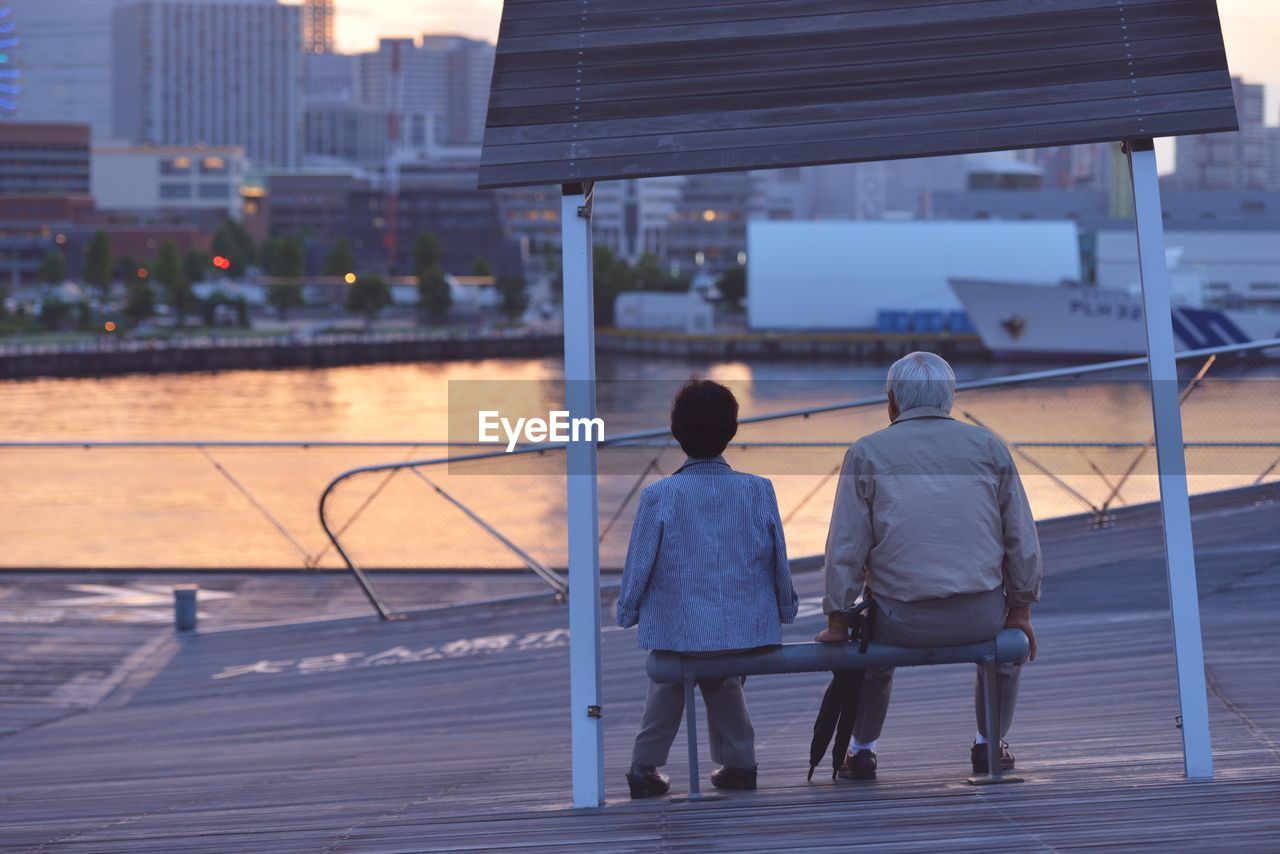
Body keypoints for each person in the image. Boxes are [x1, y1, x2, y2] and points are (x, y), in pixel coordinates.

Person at [817, 352, 1042, 781]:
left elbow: (846, 547)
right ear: (949, 399)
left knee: (873, 655)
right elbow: (1021, 539)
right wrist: (1020, 610)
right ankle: (989, 744)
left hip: (901, 620)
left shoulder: (866, 452)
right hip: (980, 616)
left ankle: (862, 751)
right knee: (1006, 652)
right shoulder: (989, 447)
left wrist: (839, 619)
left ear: (892, 402)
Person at [616, 379, 799, 799]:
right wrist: (784, 609)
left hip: (678, 627)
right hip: (741, 626)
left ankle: (644, 770)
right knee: (724, 679)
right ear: (731, 431)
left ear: (676, 432)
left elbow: (639, 564)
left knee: (667, 680)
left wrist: (627, 612)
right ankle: (740, 763)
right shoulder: (758, 489)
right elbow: (778, 558)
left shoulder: (659, 495)